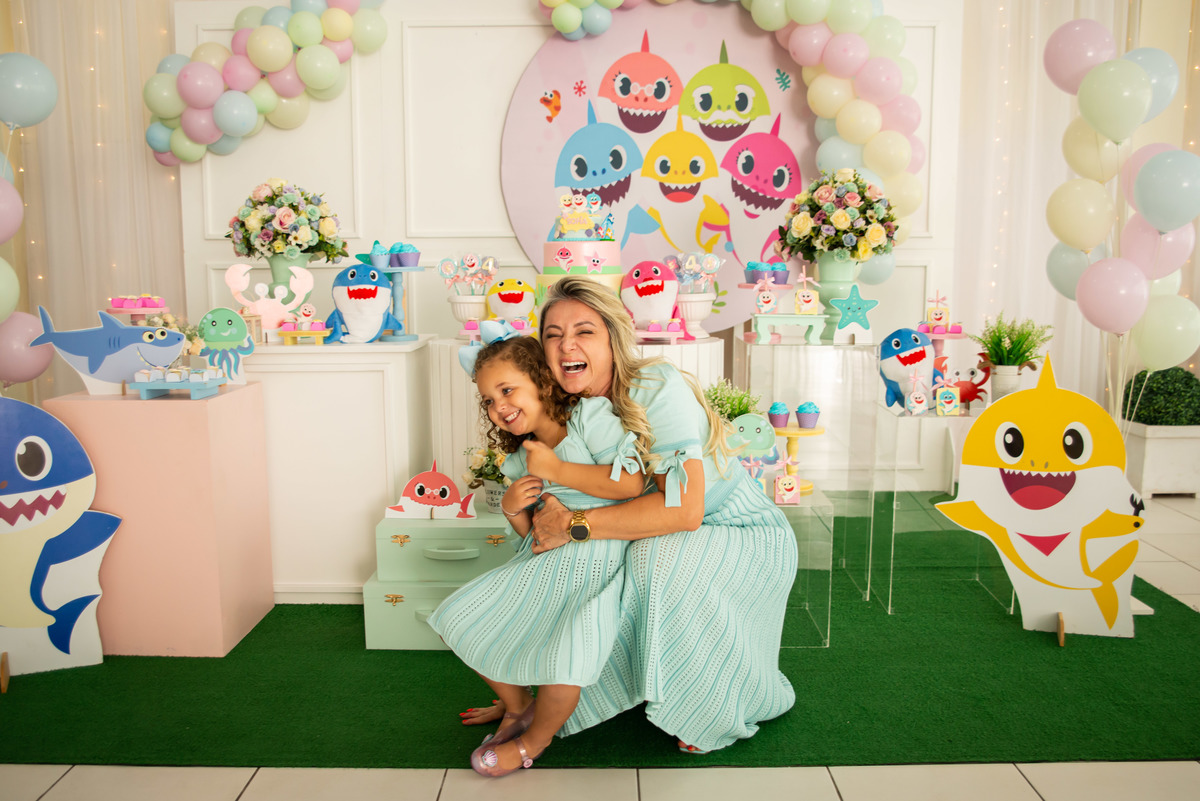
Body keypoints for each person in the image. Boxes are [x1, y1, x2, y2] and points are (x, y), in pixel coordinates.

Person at [530, 275, 798, 754]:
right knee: (586, 563)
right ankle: (563, 691)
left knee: (657, 558)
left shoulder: (656, 384)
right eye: (553, 334)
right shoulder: (563, 402)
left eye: (584, 331)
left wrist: (575, 526)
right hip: (662, 526)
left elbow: (686, 510)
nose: (566, 344)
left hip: (736, 527)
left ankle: (711, 704)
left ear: (614, 337)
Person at [428, 331, 646, 777]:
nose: (498, 406)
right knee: (458, 616)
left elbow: (632, 485)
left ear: (543, 381)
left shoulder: (590, 418)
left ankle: (535, 739)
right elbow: (533, 536)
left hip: (598, 558)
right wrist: (512, 511)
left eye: (506, 390)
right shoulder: (516, 461)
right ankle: (518, 704)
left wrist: (559, 470)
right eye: (488, 399)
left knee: (568, 655)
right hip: (546, 561)